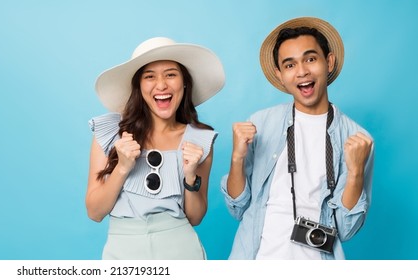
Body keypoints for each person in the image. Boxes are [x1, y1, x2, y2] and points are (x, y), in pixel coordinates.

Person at [222, 17, 374, 260]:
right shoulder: (260, 123)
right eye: (290, 65)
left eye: (310, 59)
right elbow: (237, 207)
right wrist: (237, 158)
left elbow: (345, 230)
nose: (302, 71)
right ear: (280, 74)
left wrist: (355, 172)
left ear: (329, 62)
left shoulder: (357, 139)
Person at [86, 37, 225, 259]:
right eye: (149, 76)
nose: (161, 85)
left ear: (185, 82)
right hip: (123, 253)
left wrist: (190, 176)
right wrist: (122, 168)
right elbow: (94, 212)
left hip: (182, 251)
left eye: (170, 74)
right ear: (139, 86)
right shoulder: (110, 132)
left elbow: (195, 218)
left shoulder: (199, 140)